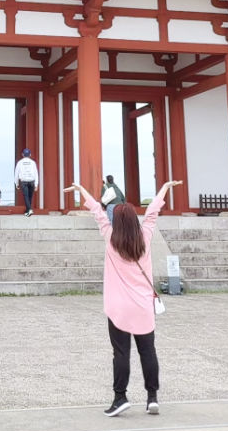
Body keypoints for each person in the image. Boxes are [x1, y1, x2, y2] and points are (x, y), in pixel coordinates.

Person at [71, 177, 183, 417]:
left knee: (121, 353)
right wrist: (163, 189)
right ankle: (152, 397)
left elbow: (98, 213)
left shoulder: (111, 239)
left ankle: (120, 397)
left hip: (118, 308)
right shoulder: (145, 238)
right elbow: (152, 213)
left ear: (117, 222)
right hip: (143, 306)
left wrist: (82, 190)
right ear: (134, 221)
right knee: (148, 351)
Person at [13, 148, 39, 216]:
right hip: (32, 181)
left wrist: (17, 183)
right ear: (30, 154)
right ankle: (28, 211)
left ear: (22, 154)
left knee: (26, 196)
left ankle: (29, 209)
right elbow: (36, 173)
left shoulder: (19, 162)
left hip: (24, 181)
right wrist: (36, 184)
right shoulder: (33, 162)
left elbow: (16, 173)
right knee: (30, 196)